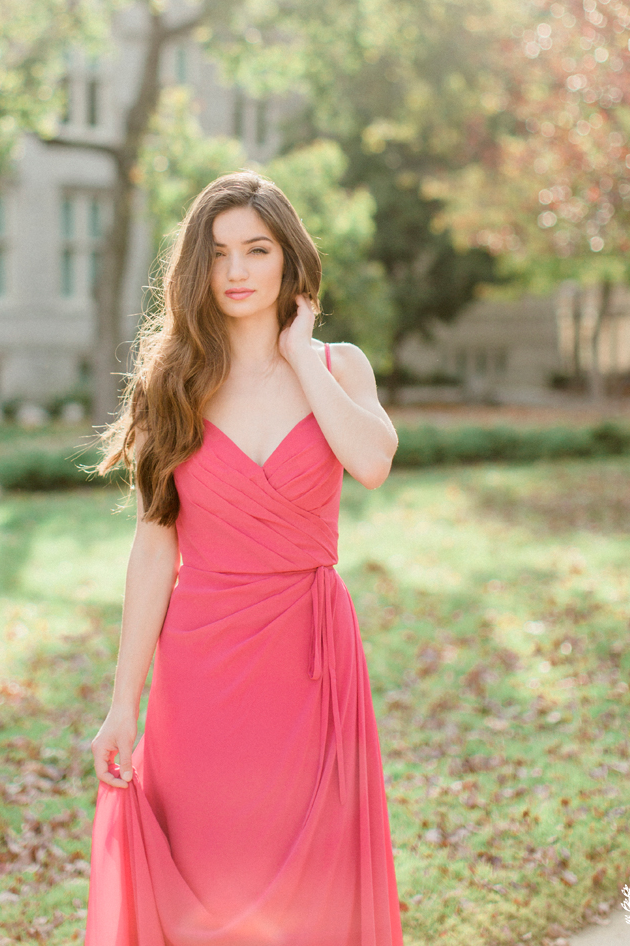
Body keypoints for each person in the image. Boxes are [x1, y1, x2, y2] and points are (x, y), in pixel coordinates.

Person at [85, 171, 404, 946]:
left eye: (256, 250)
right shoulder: (173, 385)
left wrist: (299, 356)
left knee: (312, 874)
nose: (235, 271)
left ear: (288, 260)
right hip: (203, 664)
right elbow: (155, 545)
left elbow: (372, 461)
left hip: (309, 656)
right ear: (196, 266)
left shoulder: (339, 367)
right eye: (219, 252)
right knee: (208, 864)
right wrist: (123, 702)